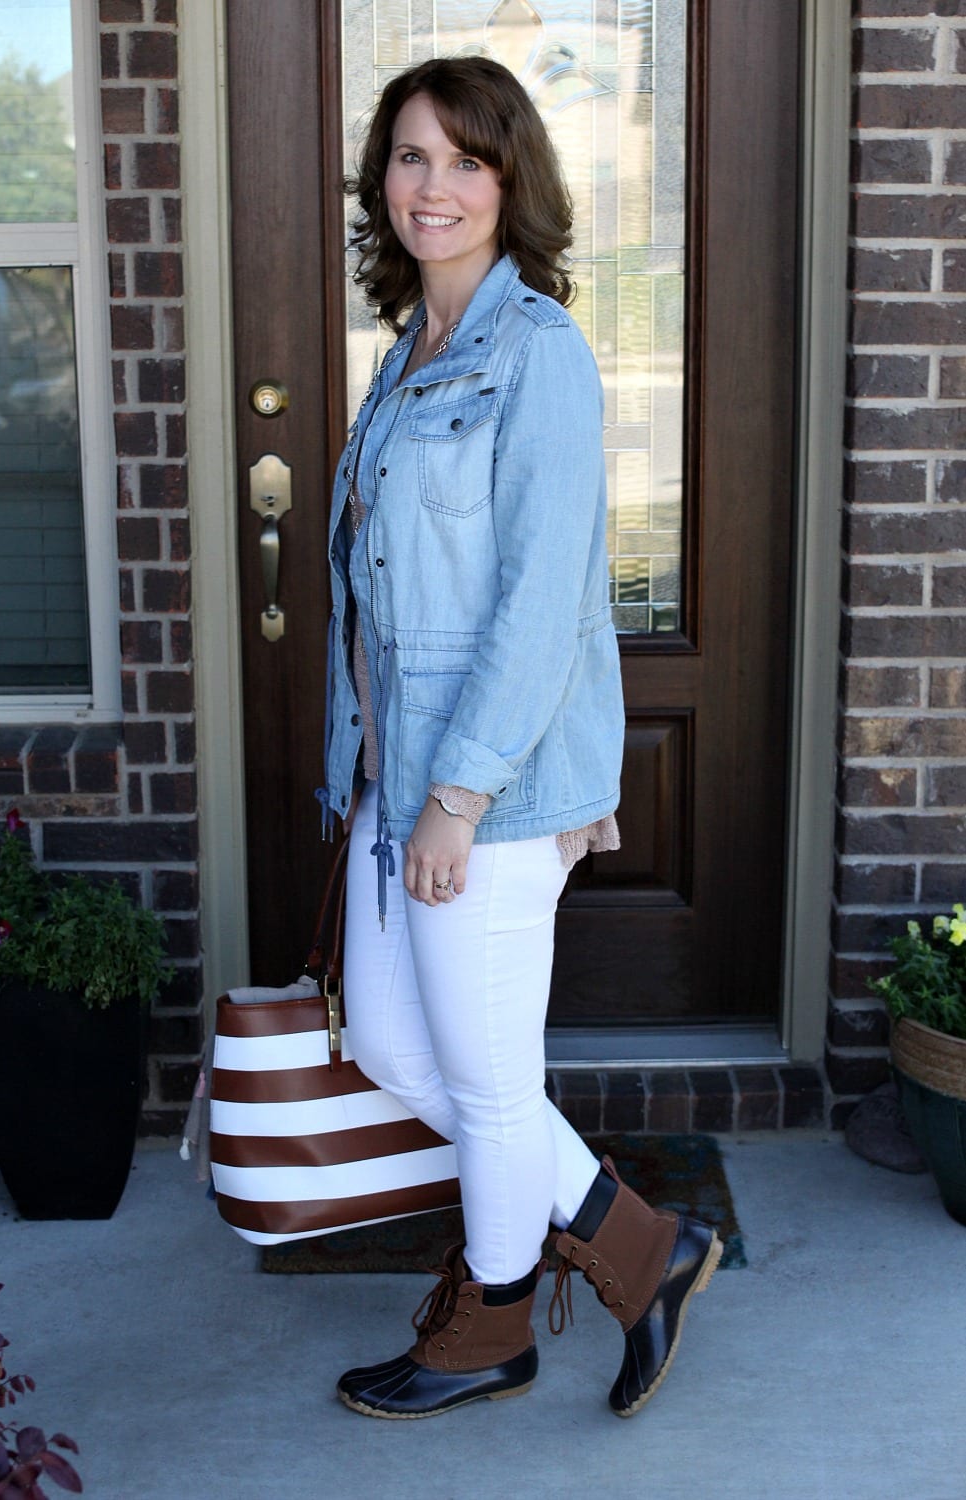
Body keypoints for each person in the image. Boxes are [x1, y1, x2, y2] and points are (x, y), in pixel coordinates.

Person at [319, 55, 721, 1421]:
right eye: (410, 157)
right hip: (398, 778)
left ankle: (490, 1326)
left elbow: (541, 600)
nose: (432, 186)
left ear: (509, 184)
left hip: (481, 782)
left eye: (463, 160)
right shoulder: (407, 356)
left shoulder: (536, 352)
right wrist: (378, 778)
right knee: (389, 1041)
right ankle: (635, 1243)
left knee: (488, 1081)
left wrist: (453, 796)